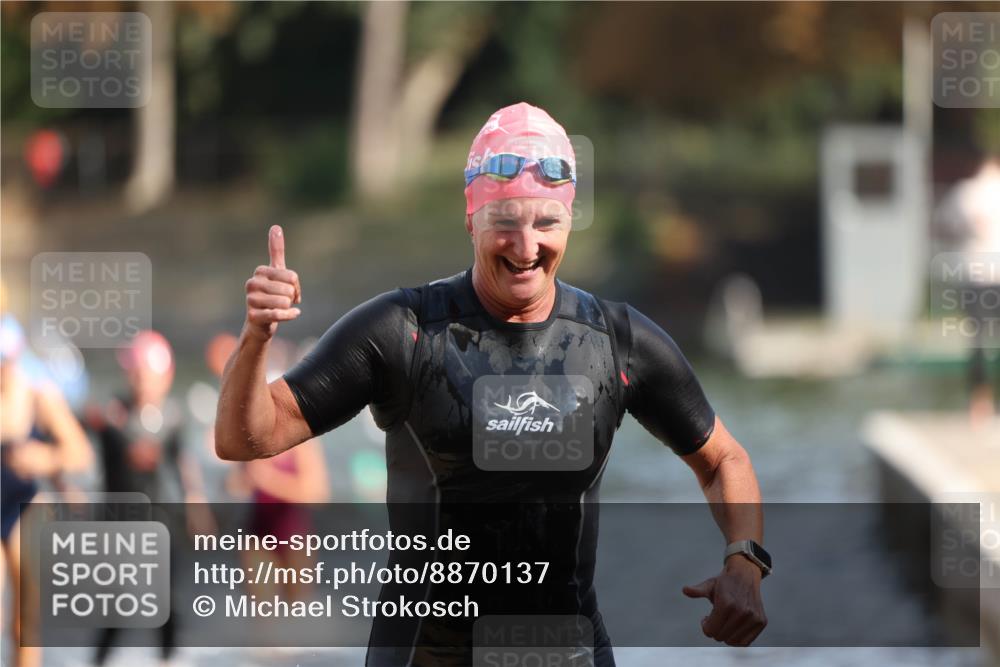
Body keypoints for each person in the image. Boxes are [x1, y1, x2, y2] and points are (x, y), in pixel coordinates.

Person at [216, 102, 768, 665]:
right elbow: (245, 439)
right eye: (504, 222)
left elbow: (724, 460)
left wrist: (744, 562)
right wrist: (257, 336)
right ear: (471, 218)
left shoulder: (613, 340)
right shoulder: (403, 332)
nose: (526, 247)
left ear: (568, 221)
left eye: (546, 223)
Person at [85, 330, 214, 666]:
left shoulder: (172, 417)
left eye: (146, 374)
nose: (139, 381)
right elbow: (87, 427)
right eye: (134, 373)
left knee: (167, 601)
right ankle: (97, 660)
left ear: (165, 377)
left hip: (162, 521)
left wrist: (196, 504)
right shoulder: (113, 413)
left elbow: (184, 462)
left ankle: (168, 659)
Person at [1, 314, 92, 667]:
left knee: (26, 620)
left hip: (24, 506)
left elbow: (79, 452)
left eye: (6, 361)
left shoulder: (39, 397)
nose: (3, 370)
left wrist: (44, 458)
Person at [936, 156, 1000, 424]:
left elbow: (941, 225)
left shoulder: (964, 192)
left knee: (977, 341)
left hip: (974, 275)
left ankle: (979, 402)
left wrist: (965, 232)